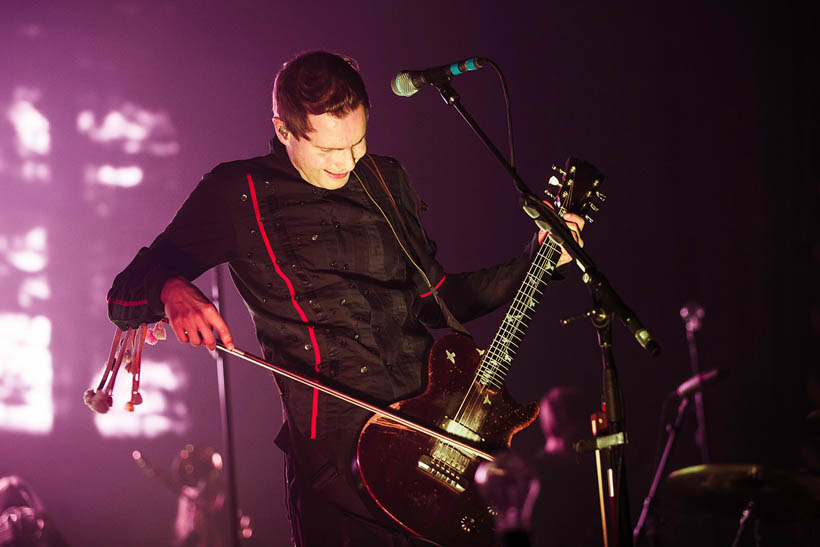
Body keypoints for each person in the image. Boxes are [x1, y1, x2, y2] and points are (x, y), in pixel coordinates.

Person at [107, 51, 584, 546]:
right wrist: (171, 289)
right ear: (284, 130)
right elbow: (125, 292)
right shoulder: (237, 192)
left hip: (429, 435)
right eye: (327, 149)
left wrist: (539, 259)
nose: (345, 162)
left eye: (357, 142)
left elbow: (441, 298)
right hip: (336, 461)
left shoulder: (387, 178)